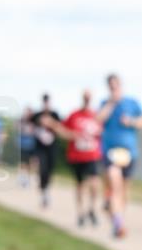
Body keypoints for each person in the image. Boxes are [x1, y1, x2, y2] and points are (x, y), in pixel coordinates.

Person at [42, 90, 104, 227]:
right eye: (85, 97)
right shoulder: (74, 115)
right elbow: (63, 131)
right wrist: (71, 134)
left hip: (92, 155)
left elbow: (102, 132)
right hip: (77, 156)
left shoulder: (96, 116)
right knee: (80, 185)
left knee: (94, 183)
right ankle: (80, 213)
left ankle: (92, 209)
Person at [98, 74, 142, 238]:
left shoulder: (132, 103)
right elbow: (98, 119)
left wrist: (132, 121)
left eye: (116, 85)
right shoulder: (104, 104)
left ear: (120, 85)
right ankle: (118, 223)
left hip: (129, 152)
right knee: (115, 184)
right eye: (111, 86)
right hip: (110, 151)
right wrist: (111, 103)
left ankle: (117, 215)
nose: (114, 88)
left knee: (124, 191)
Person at [30, 95, 60, 207]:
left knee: (50, 170)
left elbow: (60, 127)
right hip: (40, 148)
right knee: (42, 168)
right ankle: (43, 192)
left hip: (51, 147)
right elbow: (31, 126)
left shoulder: (55, 115)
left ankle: (46, 188)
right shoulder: (37, 115)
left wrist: (50, 123)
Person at [17, 107, 37, 187]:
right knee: (22, 162)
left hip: (32, 145)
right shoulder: (22, 120)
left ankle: (28, 178)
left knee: (31, 163)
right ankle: (23, 177)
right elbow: (18, 127)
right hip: (23, 144)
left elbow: (35, 131)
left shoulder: (34, 121)